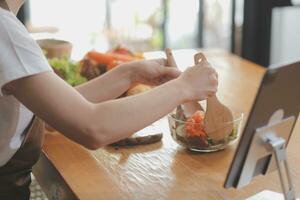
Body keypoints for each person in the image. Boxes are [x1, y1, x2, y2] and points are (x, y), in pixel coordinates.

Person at [0, 0, 218, 199]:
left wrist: (128, 75)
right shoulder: (5, 31)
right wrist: (184, 87)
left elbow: (51, 112)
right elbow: (93, 127)